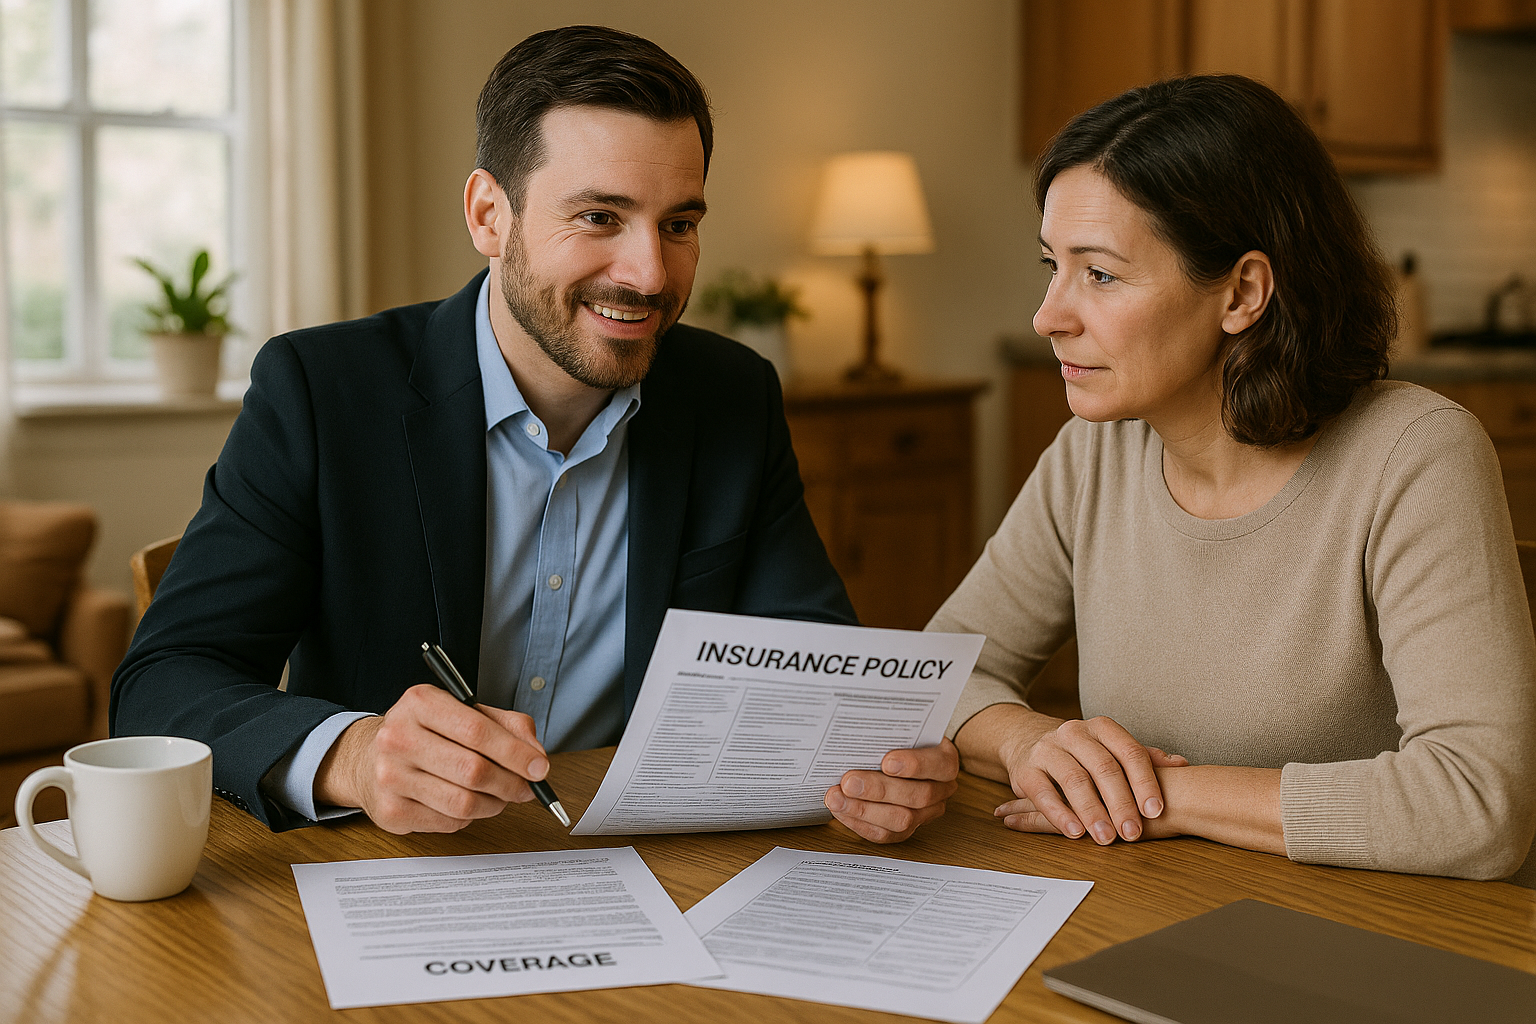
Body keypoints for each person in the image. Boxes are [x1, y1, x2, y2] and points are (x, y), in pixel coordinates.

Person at [112, 25, 958, 842]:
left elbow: (811, 660)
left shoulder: (731, 394)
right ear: (489, 215)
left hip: (648, 866)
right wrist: (358, 756)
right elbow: (163, 684)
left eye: (679, 224)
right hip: (385, 867)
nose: (649, 274)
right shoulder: (321, 391)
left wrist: (876, 766)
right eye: (599, 217)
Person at [931, 75, 1536, 882]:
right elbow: (935, 672)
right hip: (1156, 901)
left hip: (1376, 935)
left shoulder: (1415, 455)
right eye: (1053, 266)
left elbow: (1478, 804)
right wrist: (1026, 739)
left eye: (1100, 275)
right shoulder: (1094, 454)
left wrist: (1160, 800)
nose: (1049, 315)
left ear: (1243, 292)